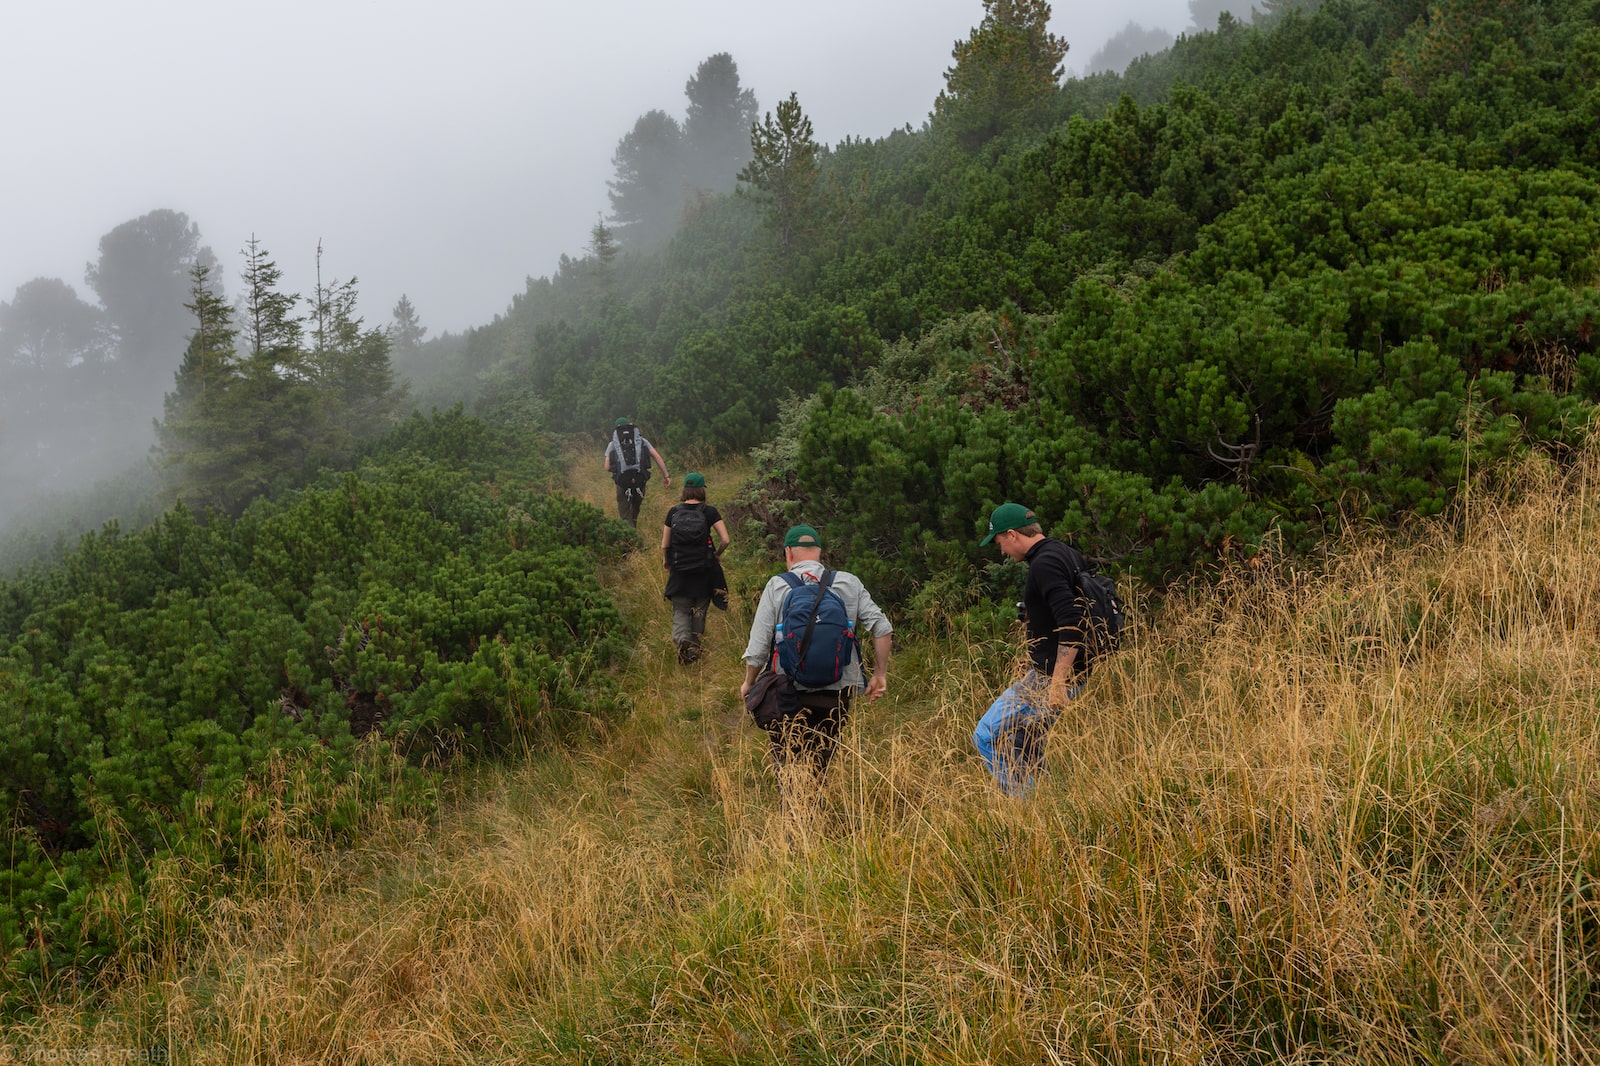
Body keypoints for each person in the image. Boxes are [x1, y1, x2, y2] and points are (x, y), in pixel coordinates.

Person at [740, 525, 893, 810]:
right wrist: (879, 675)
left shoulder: (778, 585)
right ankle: (812, 817)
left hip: (787, 692)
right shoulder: (848, 582)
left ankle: (795, 830)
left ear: (788, 552)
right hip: (835, 693)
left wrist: (749, 683)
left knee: (788, 765)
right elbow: (882, 628)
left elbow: (758, 648)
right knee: (819, 762)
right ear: (820, 554)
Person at [972, 502, 1093, 797]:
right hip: (1075, 671)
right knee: (1027, 739)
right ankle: (1047, 800)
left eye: (1000, 543)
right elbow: (1071, 606)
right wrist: (1034, 619)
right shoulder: (1064, 552)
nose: (1002, 552)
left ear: (1012, 534)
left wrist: (1057, 682)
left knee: (985, 735)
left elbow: (1072, 621)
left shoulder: (1044, 564)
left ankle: (1023, 803)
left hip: (1049, 676)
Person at [661, 472, 730, 664]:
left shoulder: (673, 512)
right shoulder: (710, 512)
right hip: (704, 570)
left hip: (680, 571)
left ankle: (682, 639)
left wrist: (666, 561)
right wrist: (717, 554)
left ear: (684, 490)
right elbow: (725, 539)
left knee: (681, 610)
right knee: (699, 610)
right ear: (702, 490)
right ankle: (694, 650)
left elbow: (664, 544)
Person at [603, 417, 670, 526]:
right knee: (635, 509)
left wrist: (618, 469)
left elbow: (606, 467)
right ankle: (633, 526)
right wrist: (666, 476)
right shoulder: (641, 441)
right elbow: (657, 456)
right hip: (640, 480)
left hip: (622, 483)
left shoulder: (613, 444)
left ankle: (630, 535)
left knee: (625, 513)